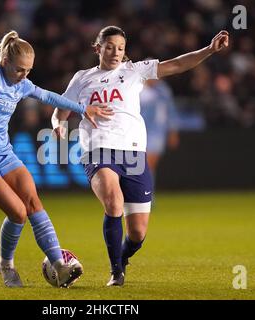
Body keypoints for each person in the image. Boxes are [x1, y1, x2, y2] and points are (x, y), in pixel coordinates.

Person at [52, 26, 229, 286]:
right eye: (109, 46)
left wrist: (209, 50)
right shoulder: (82, 78)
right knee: (113, 202)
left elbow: (177, 64)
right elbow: (61, 110)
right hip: (98, 149)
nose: (115, 52)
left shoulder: (134, 71)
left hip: (133, 153)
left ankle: (122, 258)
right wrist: (58, 124)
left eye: (120, 48)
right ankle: (116, 272)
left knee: (137, 233)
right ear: (97, 48)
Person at [0, 30, 113, 288]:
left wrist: (83, 109)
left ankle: (59, 264)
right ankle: (6, 265)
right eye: (20, 70)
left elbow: (48, 96)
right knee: (17, 213)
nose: (24, 76)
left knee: (33, 201)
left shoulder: (22, 84)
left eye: (28, 70)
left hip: (4, 154)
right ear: (4, 61)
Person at [140, 78, 180, 182]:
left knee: (148, 164)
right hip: (139, 131)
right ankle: (142, 193)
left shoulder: (163, 90)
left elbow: (170, 111)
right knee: (139, 166)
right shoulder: (137, 88)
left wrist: (173, 131)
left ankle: (146, 194)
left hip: (157, 132)